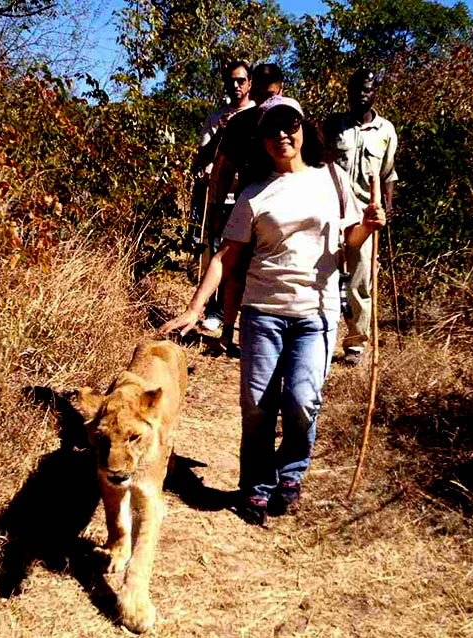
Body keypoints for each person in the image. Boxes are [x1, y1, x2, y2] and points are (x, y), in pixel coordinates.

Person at [161, 96, 387, 526]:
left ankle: (291, 474)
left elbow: (348, 245)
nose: (282, 136)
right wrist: (195, 308)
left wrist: (366, 227)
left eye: (290, 125)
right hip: (263, 311)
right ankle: (257, 488)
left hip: (316, 312)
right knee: (258, 405)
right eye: (271, 130)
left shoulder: (333, 180)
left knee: (302, 400)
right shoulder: (253, 193)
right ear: (261, 140)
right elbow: (227, 256)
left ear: (304, 129)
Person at [206, 62, 284, 352]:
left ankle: (268, 339)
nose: (267, 102)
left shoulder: (289, 124)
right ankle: (227, 332)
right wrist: (216, 206)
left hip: (280, 212)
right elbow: (225, 168)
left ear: (281, 91)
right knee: (235, 271)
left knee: (271, 275)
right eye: (262, 96)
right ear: (253, 90)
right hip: (245, 205)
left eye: (272, 95)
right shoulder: (240, 123)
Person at [324, 68, 398, 366]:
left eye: (367, 90)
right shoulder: (334, 124)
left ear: (375, 92)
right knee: (325, 274)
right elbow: (320, 161)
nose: (362, 95)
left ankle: (355, 344)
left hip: (366, 215)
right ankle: (322, 336)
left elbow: (389, 172)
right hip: (332, 208)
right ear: (349, 91)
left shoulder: (386, 131)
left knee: (361, 279)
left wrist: (387, 206)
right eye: (357, 89)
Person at [191, 61, 255, 331]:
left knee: (243, 259)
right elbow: (202, 157)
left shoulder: (257, 114)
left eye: (241, 80)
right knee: (216, 253)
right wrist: (220, 131)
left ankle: (239, 315)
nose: (236, 86)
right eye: (232, 81)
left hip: (246, 197)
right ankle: (214, 311)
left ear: (250, 83)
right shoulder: (216, 117)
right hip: (218, 197)